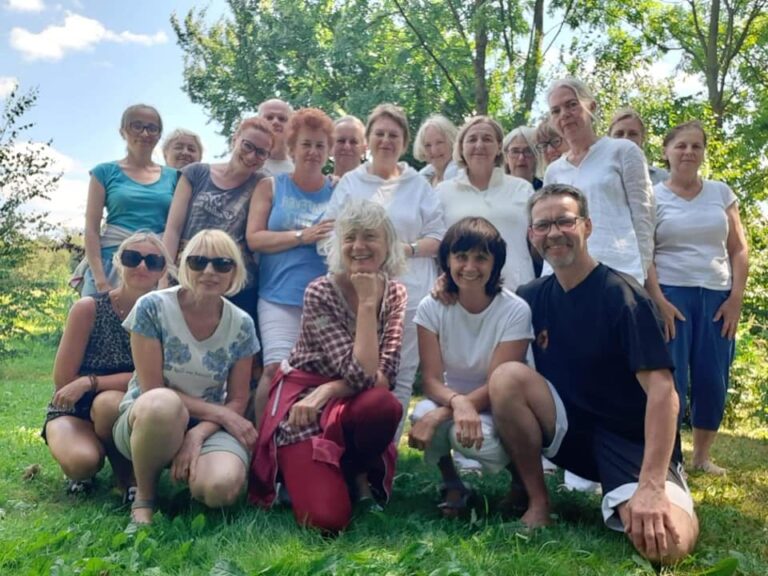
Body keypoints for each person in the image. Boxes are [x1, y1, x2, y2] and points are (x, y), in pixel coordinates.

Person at [489, 183, 699, 564]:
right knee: (506, 378)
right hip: (573, 435)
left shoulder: (624, 297)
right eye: (543, 225)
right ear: (531, 235)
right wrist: (448, 287)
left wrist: (652, 485)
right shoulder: (531, 296)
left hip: (631, 443)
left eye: (565, 222)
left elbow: (663, 393)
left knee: (666, 547)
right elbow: (482, 301)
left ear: (587, 226)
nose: (554, 233)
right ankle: (537, 502)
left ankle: (649, 489)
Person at [249, 200, 407, 533]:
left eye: (370, 236)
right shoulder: (320, 291)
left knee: (383, 405)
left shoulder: (395, 293)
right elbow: (360, 373)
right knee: (326, 520)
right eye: (350, 237)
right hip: (303, 408)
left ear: (388, 244)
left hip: (340, 399)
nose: (359, 246)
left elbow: (383, 376)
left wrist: (329, 390)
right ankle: (299, 473)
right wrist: (366, 304)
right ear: (338, 244)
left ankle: (356, 471)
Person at [113, 229, 260, 524]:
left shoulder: (242, 324)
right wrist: (221, 413)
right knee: (163, 404)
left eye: (222, 264)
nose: (209, 271)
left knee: (220, 489)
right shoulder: (152, 307)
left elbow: (238, 399)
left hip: (209, 425)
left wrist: (197, 434)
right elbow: (151, 388)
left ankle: (191, 485)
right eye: (198, 261)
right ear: (183, 265)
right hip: (149, 418)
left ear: (235, 272)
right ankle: (145, 497)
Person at [325, 103, 446, 440]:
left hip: (410, 292)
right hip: (356, 293)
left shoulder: (418, 184)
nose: (386, 140)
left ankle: (386, 454)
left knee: (400, 375)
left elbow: (438, 236)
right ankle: (351, 448)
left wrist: (400, 250)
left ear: (404, 142)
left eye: (394, 135)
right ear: (368, 140)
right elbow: (331, 233)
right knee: (356, 371)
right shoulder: (351, 183)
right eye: (379, 133)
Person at [408, 217, 533, 516]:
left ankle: (521, 480)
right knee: (422, 414)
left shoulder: (515, 310)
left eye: (481, 258)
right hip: (451, 399)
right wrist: (457, 403)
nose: (469, 266)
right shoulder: (431, 307)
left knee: (454, 430)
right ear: (447, 260)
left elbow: (499, 384)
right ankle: (452, 483)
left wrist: (446, 412)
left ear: (495, 263)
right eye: (461, 256)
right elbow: (431, 381)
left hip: (500, 405)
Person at [644, 121, 749, 475]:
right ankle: (670, 459)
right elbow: (646, 253)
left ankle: (702, 457)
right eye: (681, 146)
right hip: (671, 296)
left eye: (696, 146)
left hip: (718, 298)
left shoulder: (721, 193)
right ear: (666, 151)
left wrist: (735, 299)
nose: (688, 152)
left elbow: (739, 249)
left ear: (703, 152)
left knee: (712, 377)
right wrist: (658, 300)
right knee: (671, 380)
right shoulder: (652, 197)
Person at [43, 232, 170, 499]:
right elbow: (63, 380)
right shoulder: (89, 309)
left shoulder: (166, 317)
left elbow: (156, 378)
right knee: (82, 462)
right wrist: (85, 386)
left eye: (153, 261)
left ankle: (126, 476)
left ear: (162, 271)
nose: (142, 266)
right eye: (132, 258)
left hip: (125, 407)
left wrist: (91, 382)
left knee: (109, 403)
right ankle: (87, 462)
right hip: (74, 407)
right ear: (118, 262)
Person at [246, 108, 336, 424]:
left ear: (329, 151)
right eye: (306, 144)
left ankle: (307, 443)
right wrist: (302, 236)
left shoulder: (338, 189)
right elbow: (254, 238)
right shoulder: (271, 186)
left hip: (326, 301)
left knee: (317, 375)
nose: (312, 152)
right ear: (292, 147)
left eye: (320, 146)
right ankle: (261, 446)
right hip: (277, 296)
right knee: (274, 369)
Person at [543, 78, 655, 285]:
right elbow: (549, 227)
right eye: (556, 111)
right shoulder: (554, 171)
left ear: (591, 106)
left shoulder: (623, 151)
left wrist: (640, 272)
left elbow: (643, 216)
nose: (564, 114)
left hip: (617, 272)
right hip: (564, 278)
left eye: (572, 104)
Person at [162, 117, 273, 322]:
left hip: (234, 285)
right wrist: (164, 277)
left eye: (261, 152)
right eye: (247, 146)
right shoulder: (196, 173)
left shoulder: (262, 183)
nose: (251, 156)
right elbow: (173, 229)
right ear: (235, 139)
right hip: (189, 274)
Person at [82, 104, 179, 296]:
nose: (145, 133)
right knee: (94, 314)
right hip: (111, 264)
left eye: (152, 128)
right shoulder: (104, 172)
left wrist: (164, 280)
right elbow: (91, 229)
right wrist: (101, 281)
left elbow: (176, 229)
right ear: (123, 131)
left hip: (154, 268)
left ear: (159, 134)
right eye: (137, 126)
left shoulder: (175, 177)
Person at [436, 116, 535, 291]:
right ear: (461, 147)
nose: (479, 145)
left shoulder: (522, 189)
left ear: (499, 147)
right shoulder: (442, 192)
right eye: (472, 139)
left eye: (487, 139)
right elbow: (437, 247)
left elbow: (537, 241)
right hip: (462, 294)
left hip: (517, 290)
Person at [608, 108, 669, 185]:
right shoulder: (595, 176)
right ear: (609, 138)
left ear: (643, 139)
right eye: (619, 134)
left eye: (632, 134)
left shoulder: (663, 179)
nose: (625, 139)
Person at [413, 114, 460, 187]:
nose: (434, 150)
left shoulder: (465, 179)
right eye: (427, 145)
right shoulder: (420, 181)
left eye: (439, 142)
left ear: (452, 142)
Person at [259, 98, 295, 175]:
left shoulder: (299, 171)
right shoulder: (245, 163)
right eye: (269, 118)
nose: (275, 122)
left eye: (282, 119)